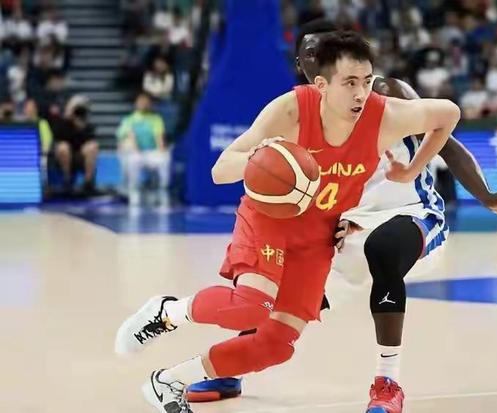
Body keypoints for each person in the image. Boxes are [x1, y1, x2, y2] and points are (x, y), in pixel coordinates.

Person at [187, 20, 497, 413]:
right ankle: (232, 365)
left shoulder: (386, 95)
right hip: (348, 228)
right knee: (280, 302)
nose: (313, 59)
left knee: (384, 249)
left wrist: (488, 197)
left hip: (409, 213)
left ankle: (388, 384)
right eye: (306, 55)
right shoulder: (298, 112)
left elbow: (449, 141)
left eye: (320, 50)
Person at [114, 31, 461, 413]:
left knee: (276, 346)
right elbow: (220, 169)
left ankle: (169, 381)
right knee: (251, 307)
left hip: (319, 234)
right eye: (349, 83)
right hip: (270, 219)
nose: (361, 93)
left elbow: (448, 115)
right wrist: (268, 160)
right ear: (322, 85)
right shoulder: (292, 110)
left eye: (366, 81)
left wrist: (411, 169)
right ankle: (166, 313)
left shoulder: (385, 116)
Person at [116, 92, 170, 207]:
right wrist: (134, 149)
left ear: (150, 104)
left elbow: (159, 138)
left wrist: (162, 150)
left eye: (146, 102)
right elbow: (125, 138)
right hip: (135, 153)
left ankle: (163, 188)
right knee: (133, 158)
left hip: (151, 152)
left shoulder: (156, 119)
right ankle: (132, 189)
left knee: (165, 158)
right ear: (136, 103)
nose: (143, 104)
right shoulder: (129, 120)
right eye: (141, 101)